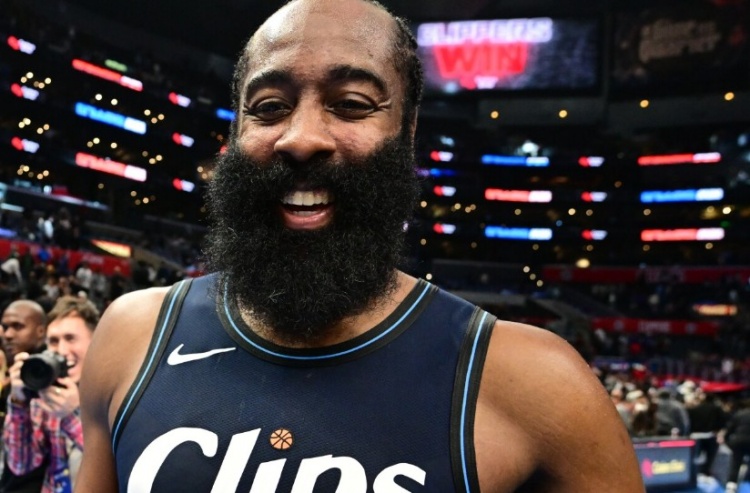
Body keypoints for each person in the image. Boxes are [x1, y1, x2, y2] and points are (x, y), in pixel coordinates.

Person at [76, 0, 644, 491]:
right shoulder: (132, 335)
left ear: (408, 131)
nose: (301, 138)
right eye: (269, 107)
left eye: (350, 103)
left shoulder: (537, 386)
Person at [4, 296, 99, 493]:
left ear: (96, 341)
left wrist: (72, 414)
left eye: (70, 338)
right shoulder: (46, 397)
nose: (62, 350)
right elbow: (21, 464)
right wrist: (19, 402)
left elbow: (120, 465)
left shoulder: (114, 395)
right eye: (54, 341)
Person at [0, 300, 48, 493]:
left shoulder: (50, 381)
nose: (8, 334)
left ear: (41, 331)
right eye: (5, 327)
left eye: (18, 326)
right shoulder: (12, 376)